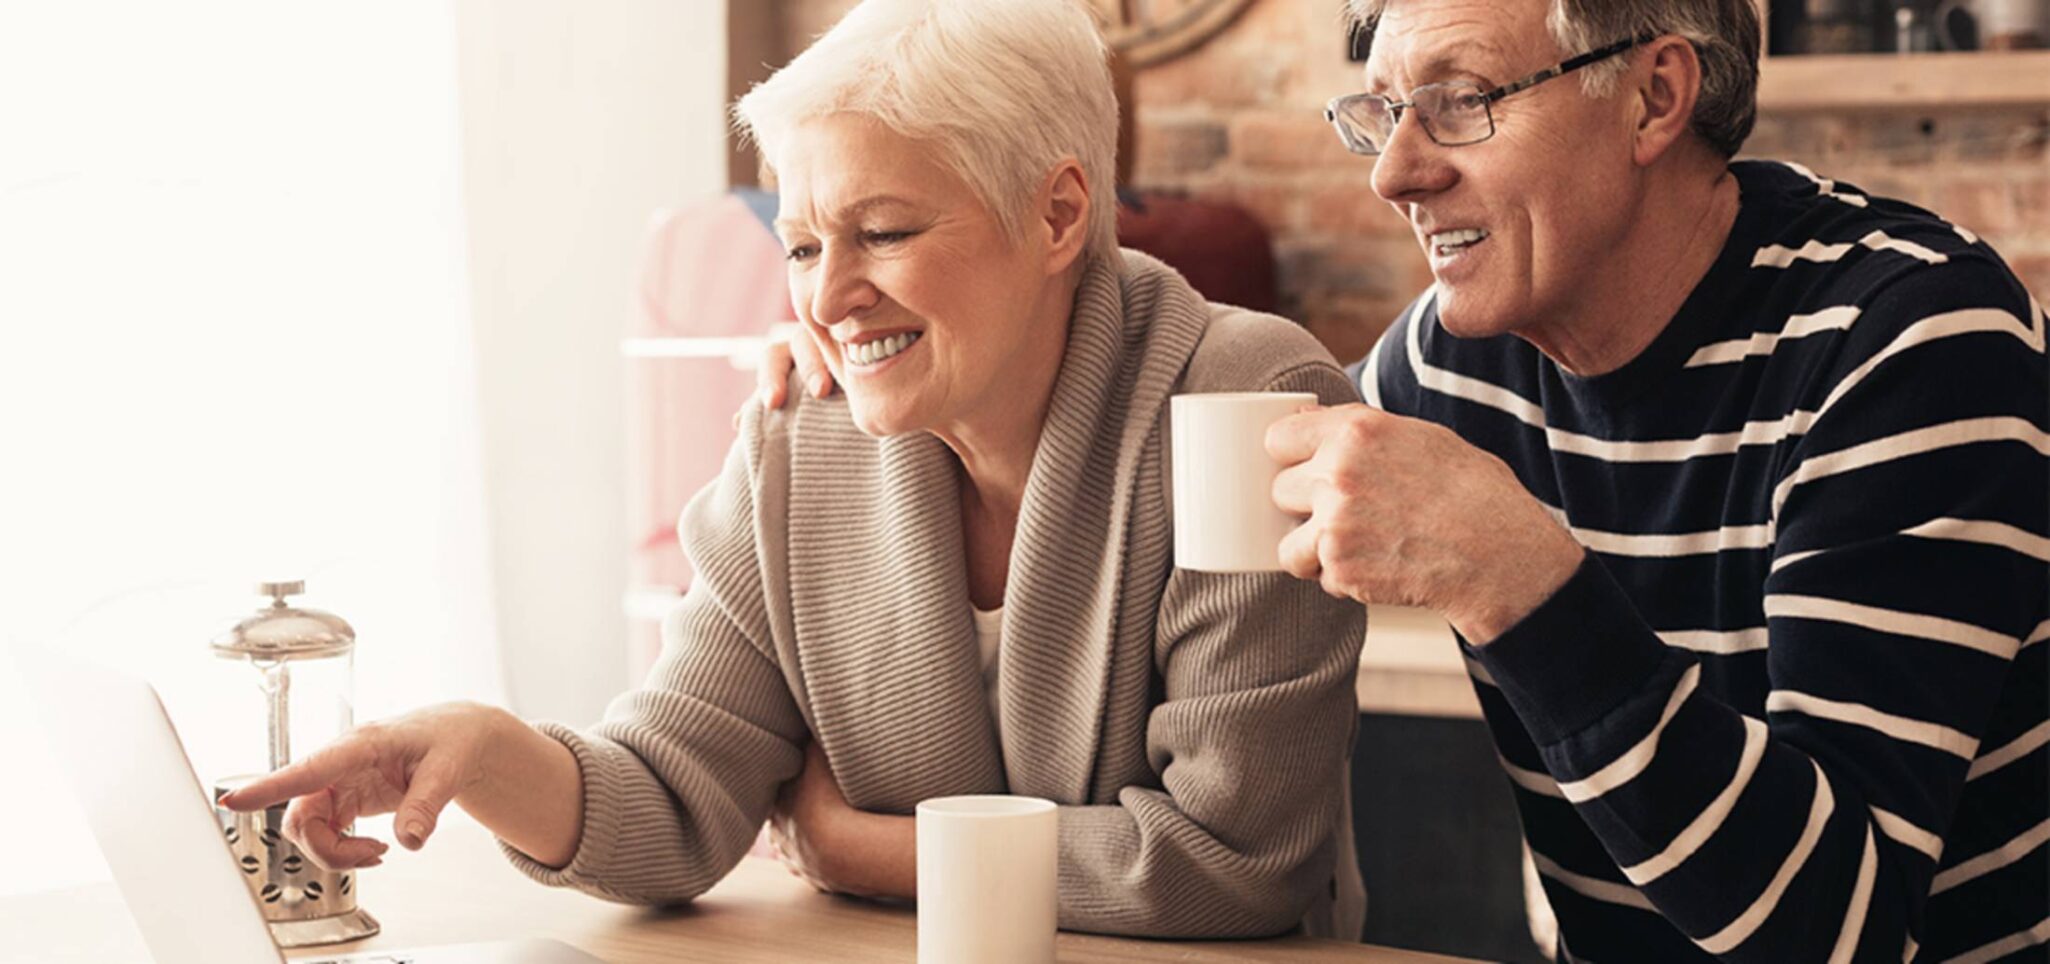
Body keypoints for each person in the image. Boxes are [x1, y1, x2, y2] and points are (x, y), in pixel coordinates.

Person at [225, 0, 1368, 941]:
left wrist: (857, 843)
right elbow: (673, 796)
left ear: (1058, 212)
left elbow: (1229, 858)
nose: (826, 299)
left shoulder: (1244, 401)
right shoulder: (799, 437)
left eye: (883, 232)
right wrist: (482, 747)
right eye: (806, 245)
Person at [1278, 0, 2044, 960]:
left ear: (1654, 97)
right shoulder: (1446, 363)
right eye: (1386, 111)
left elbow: (1841, 928)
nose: (1397, 173)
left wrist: (1516, 578)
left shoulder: (1908, 341)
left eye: (1461, 101)